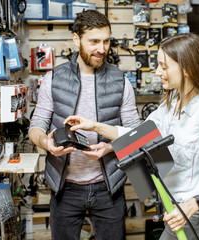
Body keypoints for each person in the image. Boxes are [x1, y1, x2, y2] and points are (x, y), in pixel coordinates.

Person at [64, 33, 199, 240]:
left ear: (187, 68)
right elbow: (141, 135)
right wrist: (95, 127)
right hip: (171, 206)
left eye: (164, 66)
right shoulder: (172, 101)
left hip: (190, 214)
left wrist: (193, 205)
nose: (157, 72)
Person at [28, 10, 140, 240]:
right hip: (65, 188)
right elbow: (36, 125)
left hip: (109, 187)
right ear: (76, 39)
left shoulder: (121, 82)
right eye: (94, 41)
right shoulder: (53, 79)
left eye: (106, 41)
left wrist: (110, 148)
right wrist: (46, 144)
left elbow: (136, 135)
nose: (102, 48)